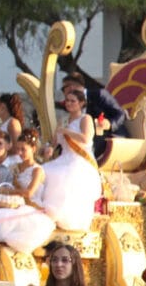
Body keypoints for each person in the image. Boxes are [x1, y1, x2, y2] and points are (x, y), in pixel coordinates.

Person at [40, 85, 103, 231]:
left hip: (80, 161)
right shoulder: (63, 121)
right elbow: (54, 142)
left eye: (73, 101)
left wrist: (67, 132)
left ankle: (63, 216)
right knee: (43, 171)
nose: (69, 103)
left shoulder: (85, 119)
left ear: (81, 103)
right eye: (67, 100)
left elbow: (86, 139)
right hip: (64, 158)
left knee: (64, 176)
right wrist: (49, 148)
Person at [0, 129, 56, 255]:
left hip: (33, 207)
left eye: (23, 149)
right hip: (17, 204)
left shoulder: (37, 170)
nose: (20, 153)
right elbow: (10, 185)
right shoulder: (16, 167)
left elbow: (29, 193)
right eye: (18, 149)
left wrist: (8, 191)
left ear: (33, 149)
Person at [61, 72, 127, 162]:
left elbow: (120, 114)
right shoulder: (70, 104)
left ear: (70, 87)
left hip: (108, 138)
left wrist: (109, 124)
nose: (64, 93)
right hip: (82, 143)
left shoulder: (99, 94)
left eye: (63, 89)